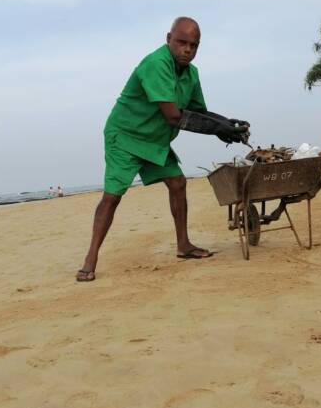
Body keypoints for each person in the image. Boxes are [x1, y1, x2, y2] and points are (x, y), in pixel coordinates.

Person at [76, 17, 250, 282]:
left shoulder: (191, 74)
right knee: (112, 196)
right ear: (168, 39)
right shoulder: (157, 64)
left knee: (178, 183)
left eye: (194, 45)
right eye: (182, 42)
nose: (187, 49)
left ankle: (183, 245)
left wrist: (227, 123)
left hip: (154, 140)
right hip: (125, 136)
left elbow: (197, 112)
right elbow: (172, 116)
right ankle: (90, 259)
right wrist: (218, 129)